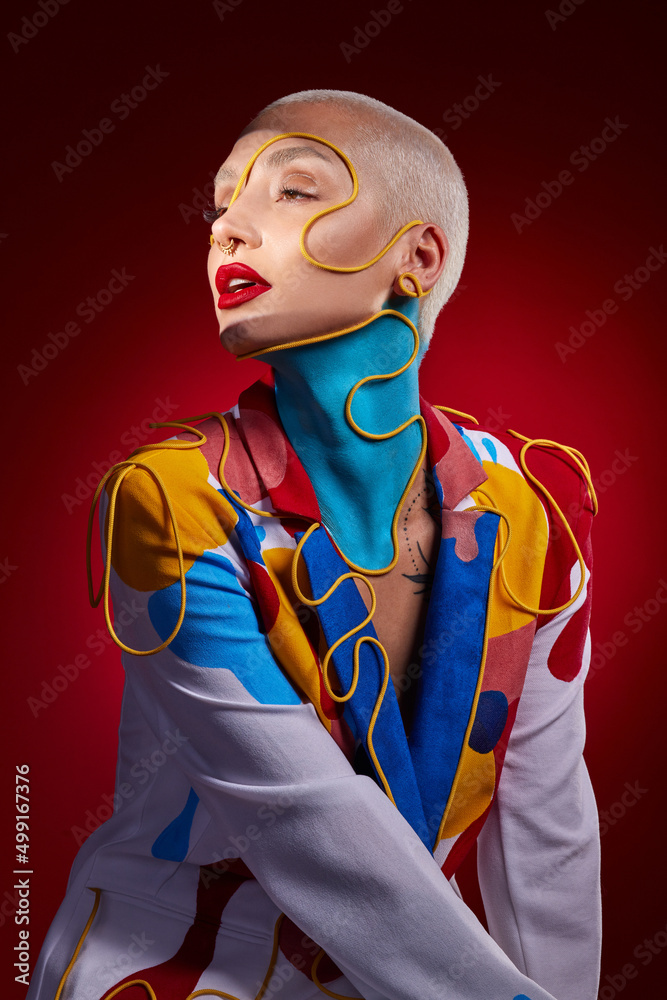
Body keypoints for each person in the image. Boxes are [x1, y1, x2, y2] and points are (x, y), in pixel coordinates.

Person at [28, 90, 601, 1000]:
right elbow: (308, 822)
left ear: (417, 258)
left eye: (292, 191)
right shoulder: (170, 503)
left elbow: (546, 826)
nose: (228, 230)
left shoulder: (531, 513)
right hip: (167, 974)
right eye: (220, 205)